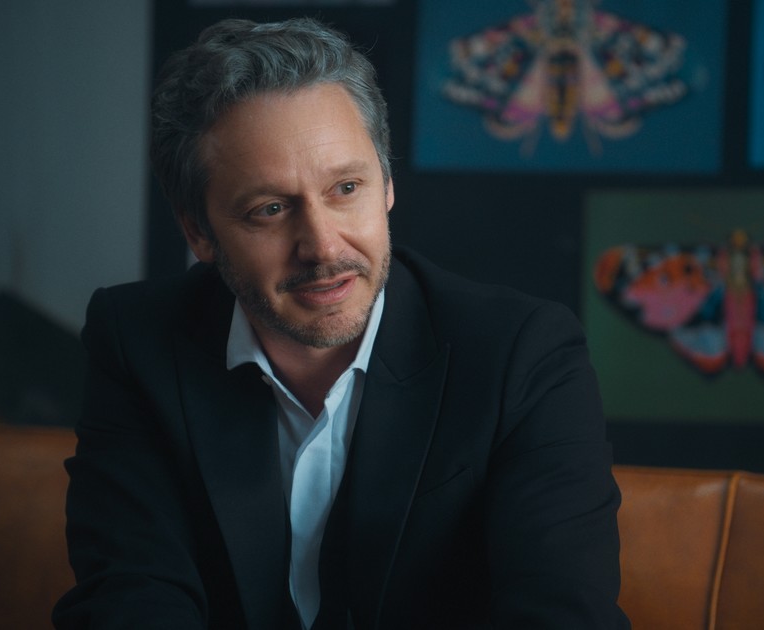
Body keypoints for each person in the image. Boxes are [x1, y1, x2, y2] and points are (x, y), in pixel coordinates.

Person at [53, 17, 628, 630]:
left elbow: (563, 615)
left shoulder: (524, 356)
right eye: (271, 209)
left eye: (346, 187)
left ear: (387, 185)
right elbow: (131, 599)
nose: (324, 247)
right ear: (198, 232)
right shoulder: (137, 341)